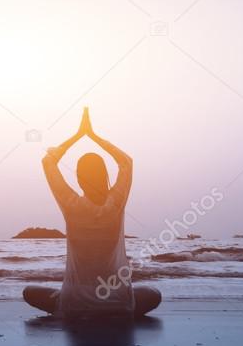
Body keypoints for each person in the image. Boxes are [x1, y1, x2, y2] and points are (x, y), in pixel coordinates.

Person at [23, 107, 161, 318]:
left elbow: (48, 162)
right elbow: (126, 162)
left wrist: (78, 135)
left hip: (73, 305)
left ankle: (70, 303)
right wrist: (95, 137)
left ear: (78, 179)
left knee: (29, 292)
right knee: (153, 294)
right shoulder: (116, 202)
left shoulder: (71, 205)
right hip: (120, 305)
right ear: (105, 174)